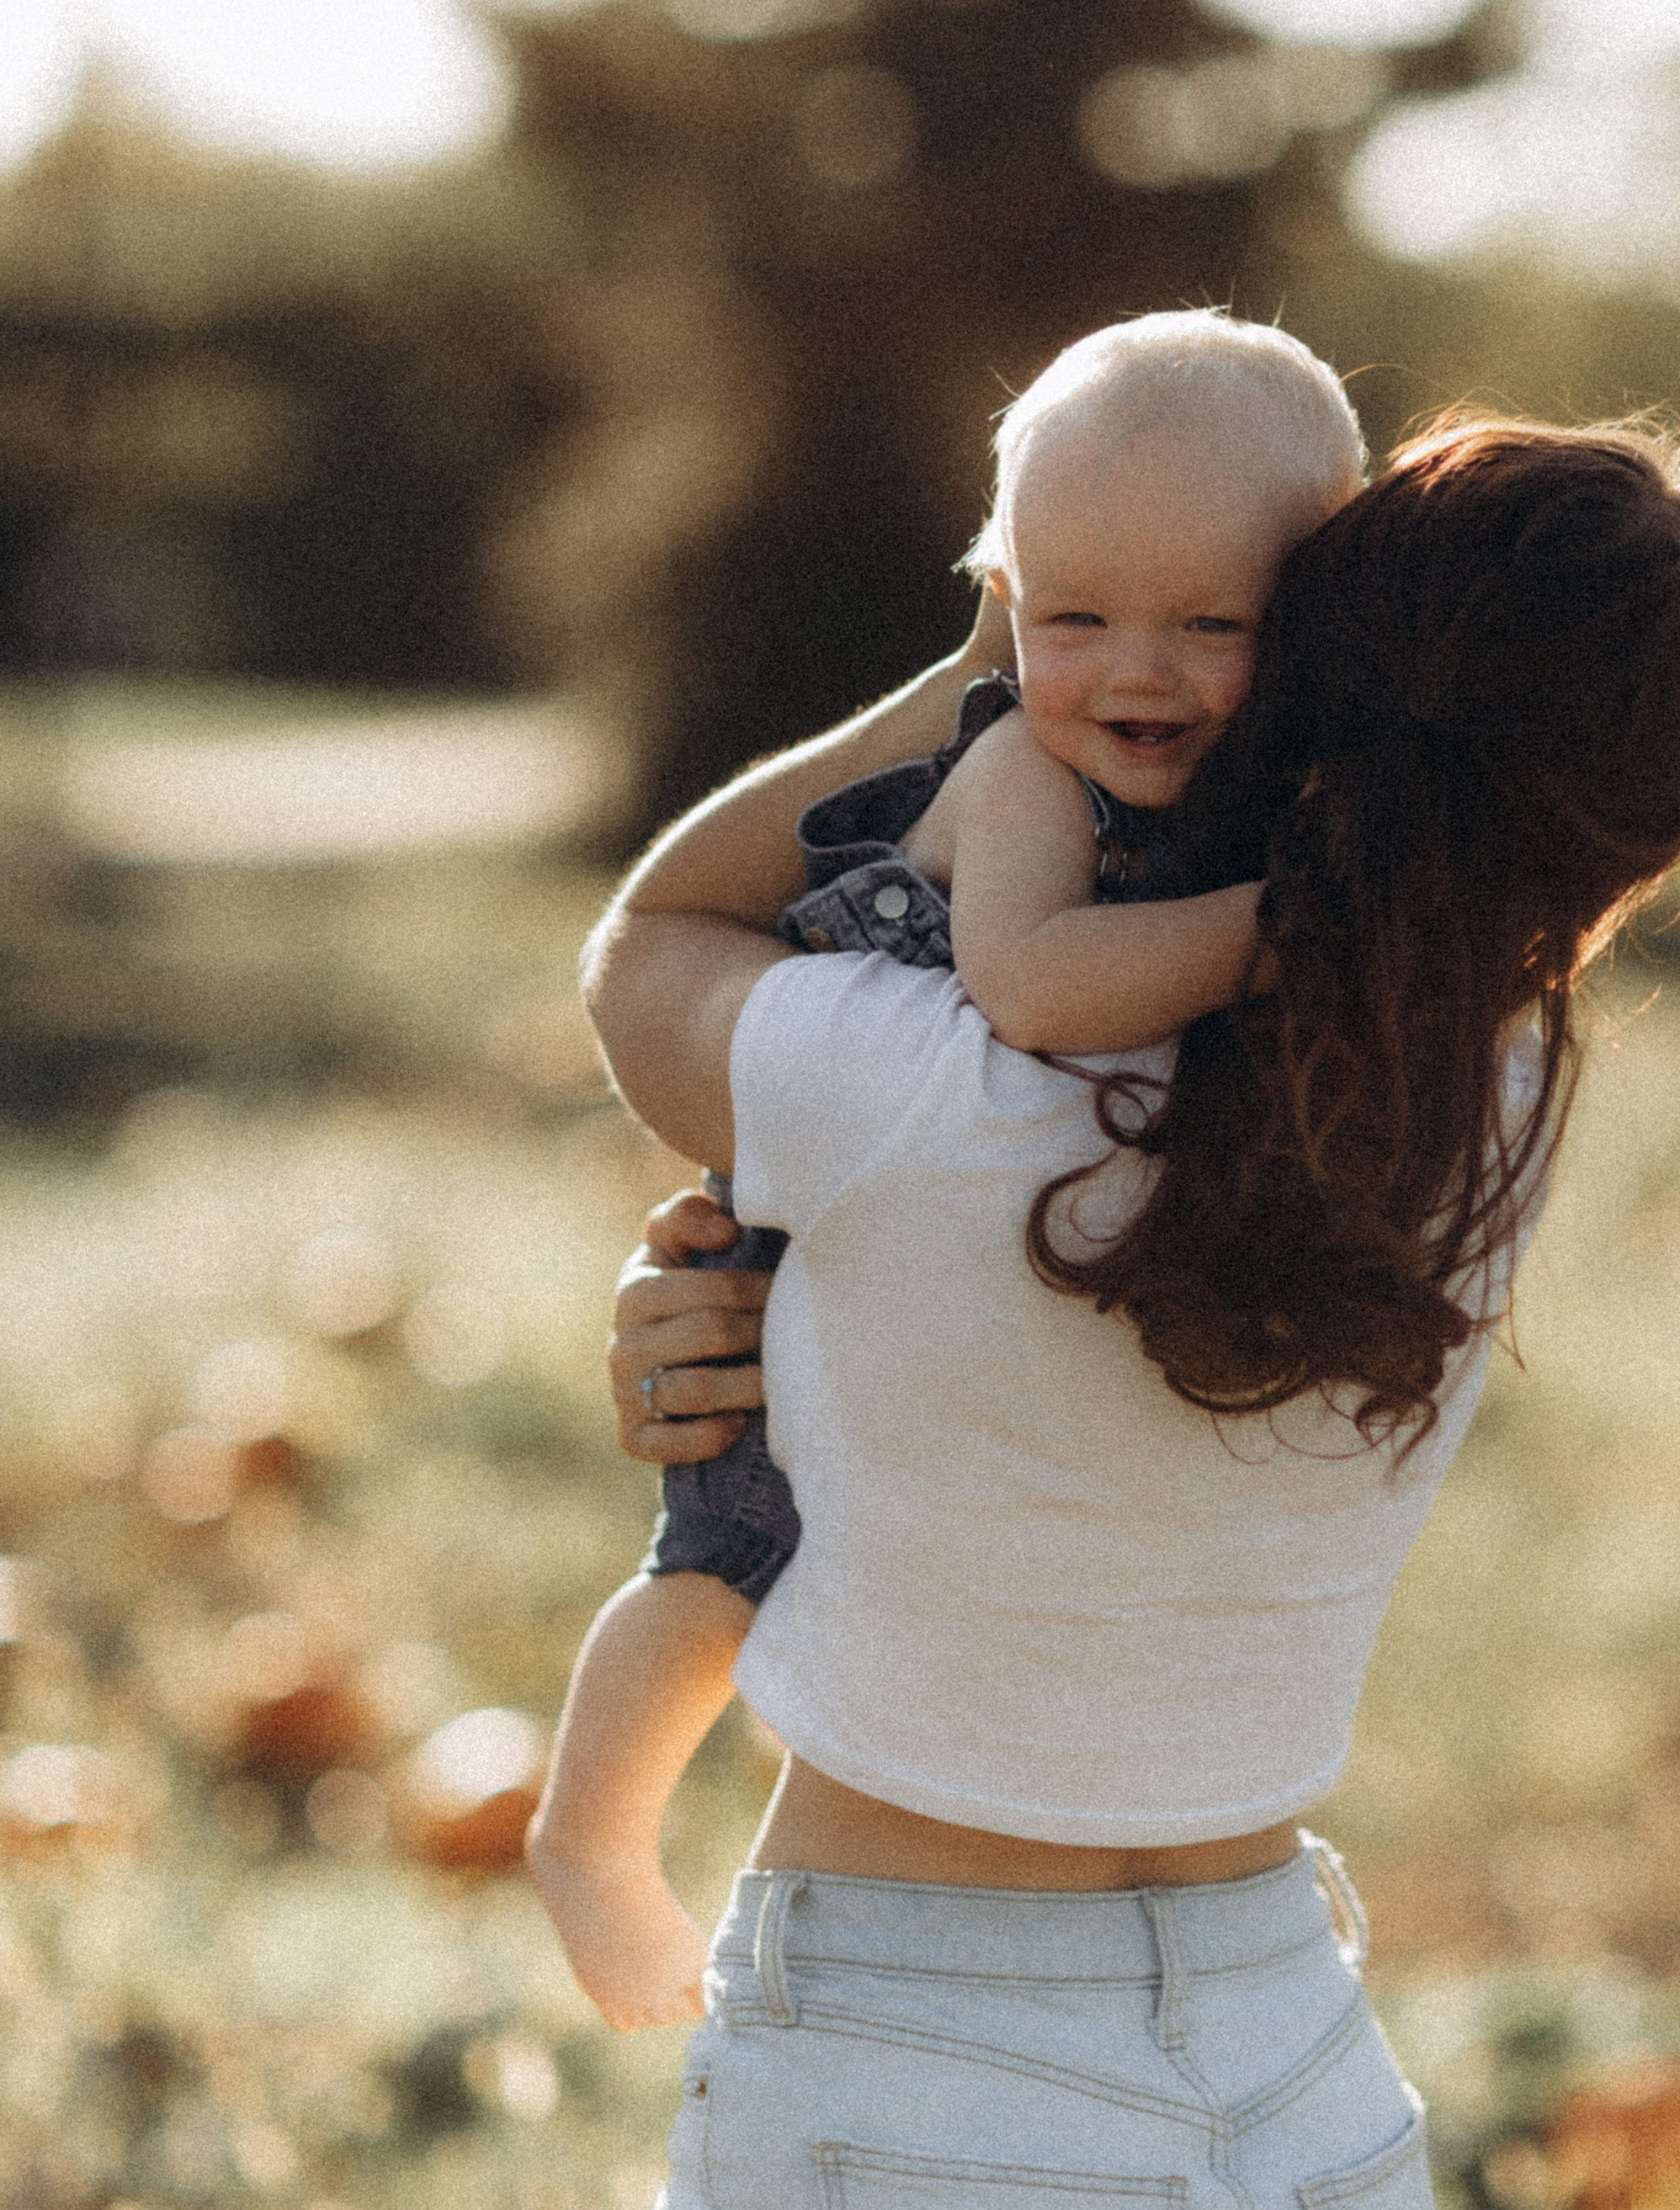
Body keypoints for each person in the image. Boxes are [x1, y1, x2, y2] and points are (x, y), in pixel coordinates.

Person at [581, 407, 1680, 2210]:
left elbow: (656, 935)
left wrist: (1000, 661)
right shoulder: (1500, 1103)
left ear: (1299, 670)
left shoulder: (932, 1085)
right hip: (1296, 2074)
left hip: (910, 2054)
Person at [528, 316, 1369, 2027]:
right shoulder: (1021, 770)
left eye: (1215, 626)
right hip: (810, 1233)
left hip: (982, 1375)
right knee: (723, 1555)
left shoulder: (1260, 783)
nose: (1139, 673)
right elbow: (1038, 987)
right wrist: (1296, 927)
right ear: (998, 599)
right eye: (1071, 619)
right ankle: (591, 1844)